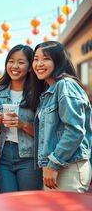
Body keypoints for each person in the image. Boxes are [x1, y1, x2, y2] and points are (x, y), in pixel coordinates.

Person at [31, 41, 92, 192]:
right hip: (60, 166)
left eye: (45, 58)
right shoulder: (50, 90)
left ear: (58, 60)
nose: (39, 63)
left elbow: (75, 131)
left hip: (68, 168)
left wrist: (53, 165)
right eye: (36, 58)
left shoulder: (65, 85)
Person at [0, 44, 43, 193]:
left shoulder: (39, 94)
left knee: (27, 204)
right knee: (8, 203)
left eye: (21, 62)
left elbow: (45, 134)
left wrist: (23, 124)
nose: (14, 66)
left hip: (30, 157)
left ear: (29, 67)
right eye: (11, 61)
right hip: (3, 156)